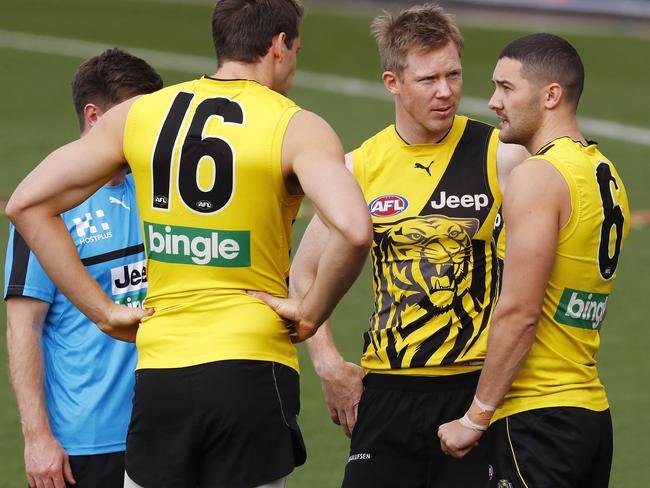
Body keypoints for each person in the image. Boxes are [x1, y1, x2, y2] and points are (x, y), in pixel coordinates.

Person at [6, 1, 373, 487]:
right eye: (296, 50)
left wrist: (102, 312)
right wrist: (309, 312)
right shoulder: (296, 126)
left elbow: (26, 204)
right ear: (280, 46)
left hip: (162, 373)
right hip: (250, 366)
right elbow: (353, 229)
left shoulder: (140, 114)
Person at [259, 4, 527, 487]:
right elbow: (304, 272)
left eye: (454, 74)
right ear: (392, 82)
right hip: (385, 392)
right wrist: (328, 364)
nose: (446, 91)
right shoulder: (359, 166)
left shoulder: (503, 157)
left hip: (474, 393)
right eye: (428, 79)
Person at [437, 33, 630, 488]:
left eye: (506, 88)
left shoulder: (537, 176)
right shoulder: (603, 171)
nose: (492, 101)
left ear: (550, 96)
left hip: (537, 420)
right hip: (587, 414)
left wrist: (476, 417)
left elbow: (520, 313)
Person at [4, 49, 162, 488]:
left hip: (166, 426)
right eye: (135, 116)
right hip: (88, 444)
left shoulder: (157, 189)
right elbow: (23, 328)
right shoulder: (44, 207)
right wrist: (37, 439)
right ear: (95, 116)